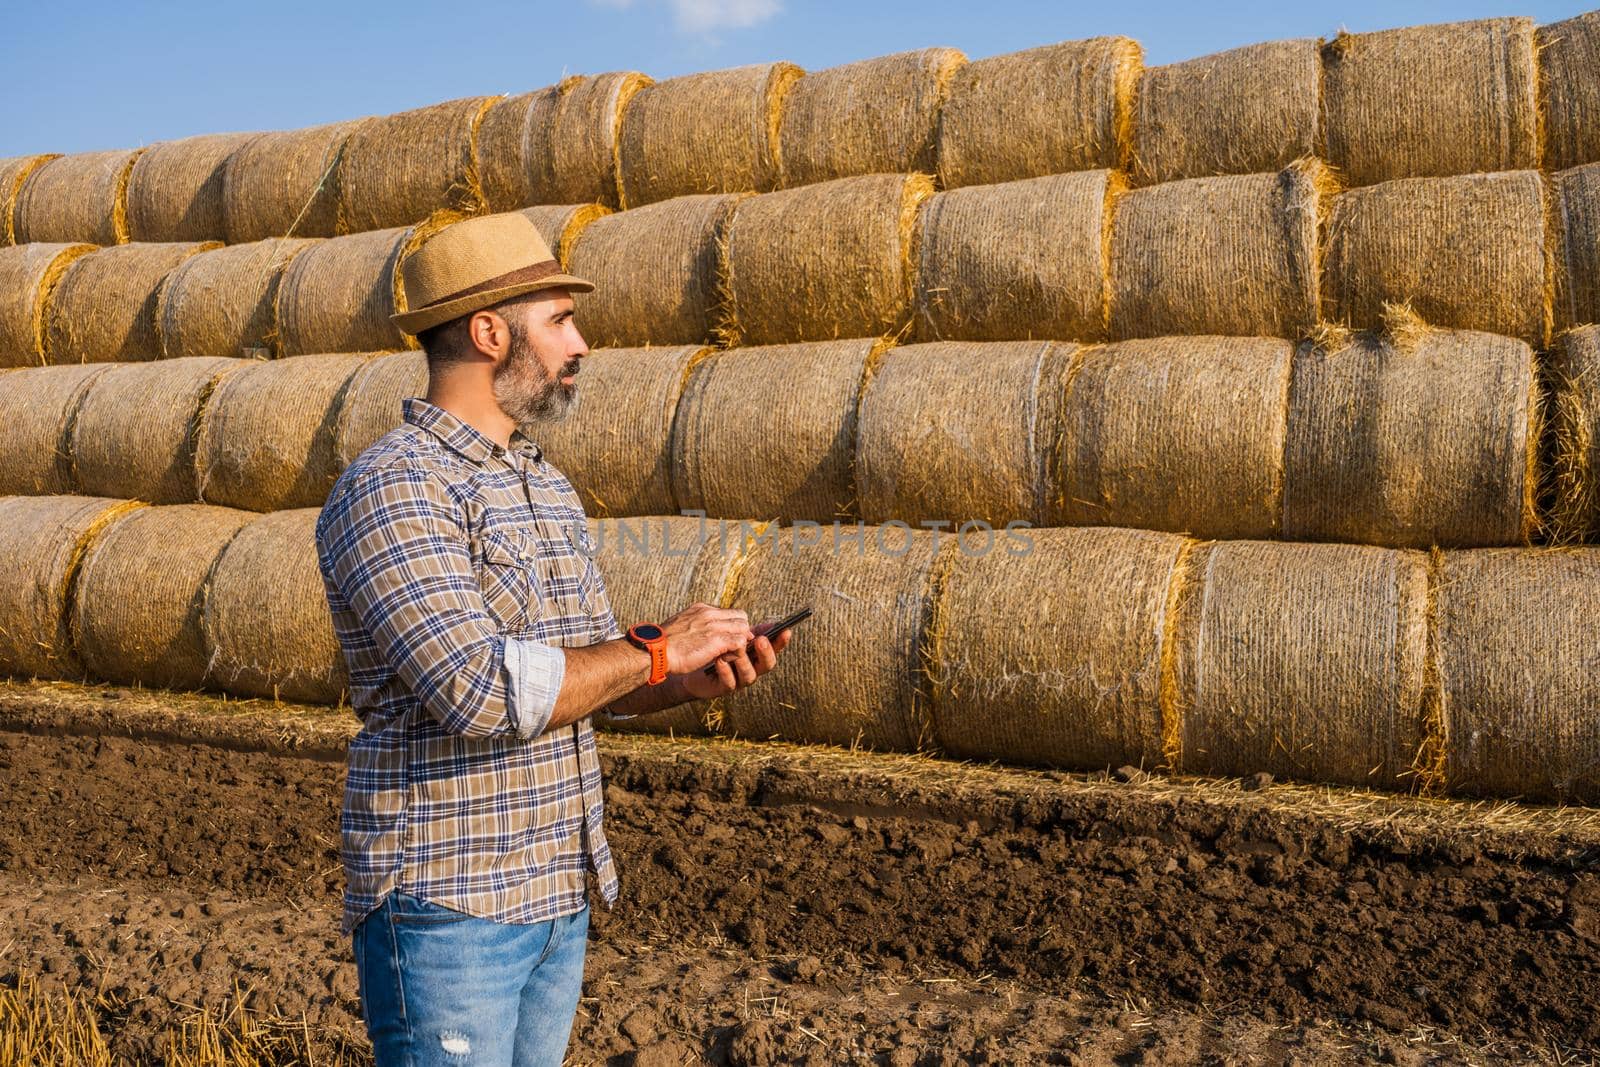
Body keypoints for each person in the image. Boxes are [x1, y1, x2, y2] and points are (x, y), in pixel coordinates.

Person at [314, 211, 792, 1066]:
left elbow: (577, 674)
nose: (581, 343)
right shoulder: (394, 488)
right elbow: (480, 689)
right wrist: (655, 649)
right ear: (491, 332)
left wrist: (681, 680)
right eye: (560, 320)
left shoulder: (544, 485)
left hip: (556, 889)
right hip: (448, 902)